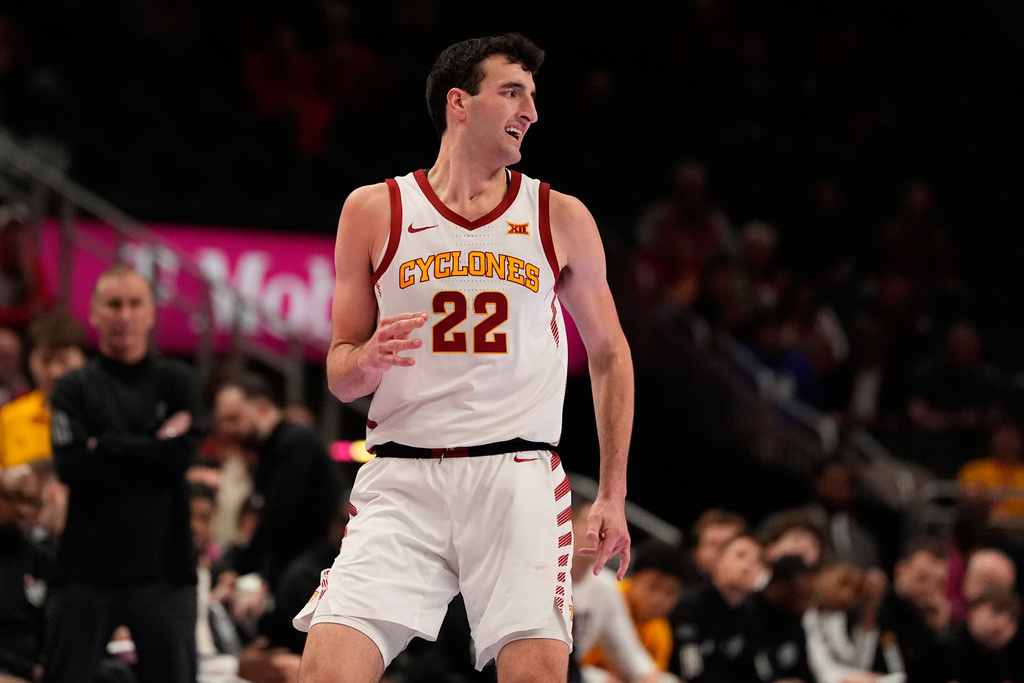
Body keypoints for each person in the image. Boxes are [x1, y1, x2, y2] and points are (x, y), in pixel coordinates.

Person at [295, 32, 634, 683]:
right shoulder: (374, 209)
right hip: (402, 474)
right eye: (512, 92)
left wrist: (613, 491)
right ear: (460, 102)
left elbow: (611, 355)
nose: (531, 109)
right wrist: (366, 360)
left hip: (515, 474)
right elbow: (339, 374)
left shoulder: (558, 215)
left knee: (534, 672)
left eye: (533, 96)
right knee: (325, 672)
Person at [44, 266, 203, 683]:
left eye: (135, 303)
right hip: (84, 572)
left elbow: (181, 458)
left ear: (152, 313)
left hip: (165, 571)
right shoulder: (72, 387)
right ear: (93, 313)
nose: (124, 315)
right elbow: (73, 467)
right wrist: (153, 448)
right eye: (113, 304)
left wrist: (109, 443)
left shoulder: (178, 381)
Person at [211, 371, 348, 617]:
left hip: (324, 570)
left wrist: (265, 580)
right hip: (301, 564)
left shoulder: (295, 443)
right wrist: (233, 570)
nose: (226, 429)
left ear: (262, 408)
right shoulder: (268, 453)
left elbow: (280, 522)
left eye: (233, 419)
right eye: (222, 421)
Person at [570, 499, 677, 683]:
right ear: (568, 526)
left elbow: (629, 653)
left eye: (607, 530)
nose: (598, 535)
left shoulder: (605, 587)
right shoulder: (539, 573)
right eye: (592, 524)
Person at [580, 538, 688, 676]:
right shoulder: (603, 597)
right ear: (634, 577)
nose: (659, 599)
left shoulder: (660, 633)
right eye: (654, 586)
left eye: (670, 592)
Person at [668, 533, 766, 682]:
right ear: (718, 561)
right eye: (740, 556)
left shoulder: (751, 616)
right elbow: (688, 668)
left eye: (758, 561)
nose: (748, 566)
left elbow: (752, 672)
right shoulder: (691, 604)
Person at [0, 311, 87, 468]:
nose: (55, 372)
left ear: (82, 359)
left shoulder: (102, 416)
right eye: (45, 360)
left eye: (63, 360)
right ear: (30, 361)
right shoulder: (8, 418)